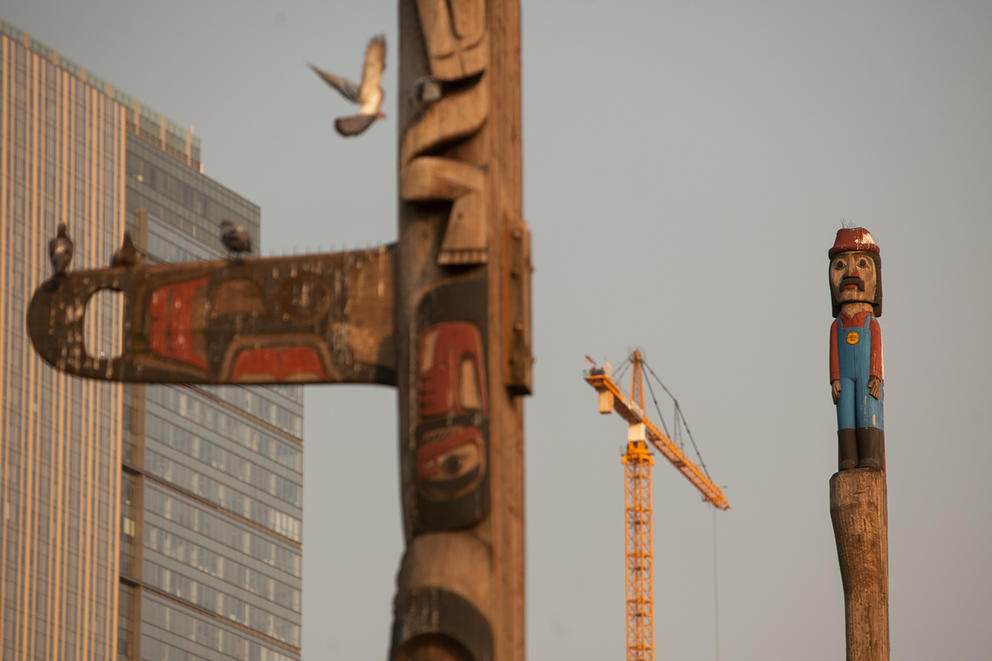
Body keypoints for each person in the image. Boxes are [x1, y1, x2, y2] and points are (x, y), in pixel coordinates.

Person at [828, 227, 884, 470]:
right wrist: (834, 380)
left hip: (867, 377)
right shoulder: (837, 325)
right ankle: (848, 457)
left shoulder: (871, 323)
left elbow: (876, 351)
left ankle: (869, 456)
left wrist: (876, 375)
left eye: (862, 263)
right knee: (845, 415)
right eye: (840, 265)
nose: (851, 273)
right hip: (844, 379)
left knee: (867, 409)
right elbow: (833, 356)